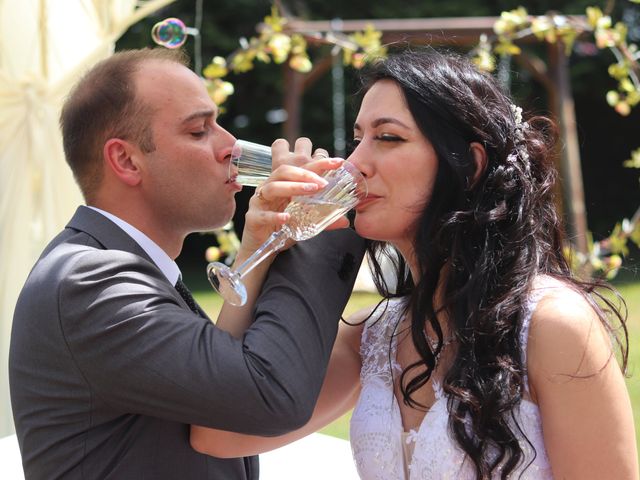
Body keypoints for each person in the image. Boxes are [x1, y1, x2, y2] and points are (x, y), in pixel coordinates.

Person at [190, 49, 638, 479]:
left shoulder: (553, 326)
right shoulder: (376, 335)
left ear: (470, 165)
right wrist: (256, 252)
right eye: (358, 139)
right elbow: (219, 432)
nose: (354, 163)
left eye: (387, 138)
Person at [8, 47, 365, 479]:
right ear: (126, 160)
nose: (231, 146)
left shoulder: (123, 269)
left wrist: (263, 244)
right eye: (199, 131)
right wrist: (316, 216)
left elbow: (225, 386)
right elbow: (267, 392)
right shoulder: (90, 281)